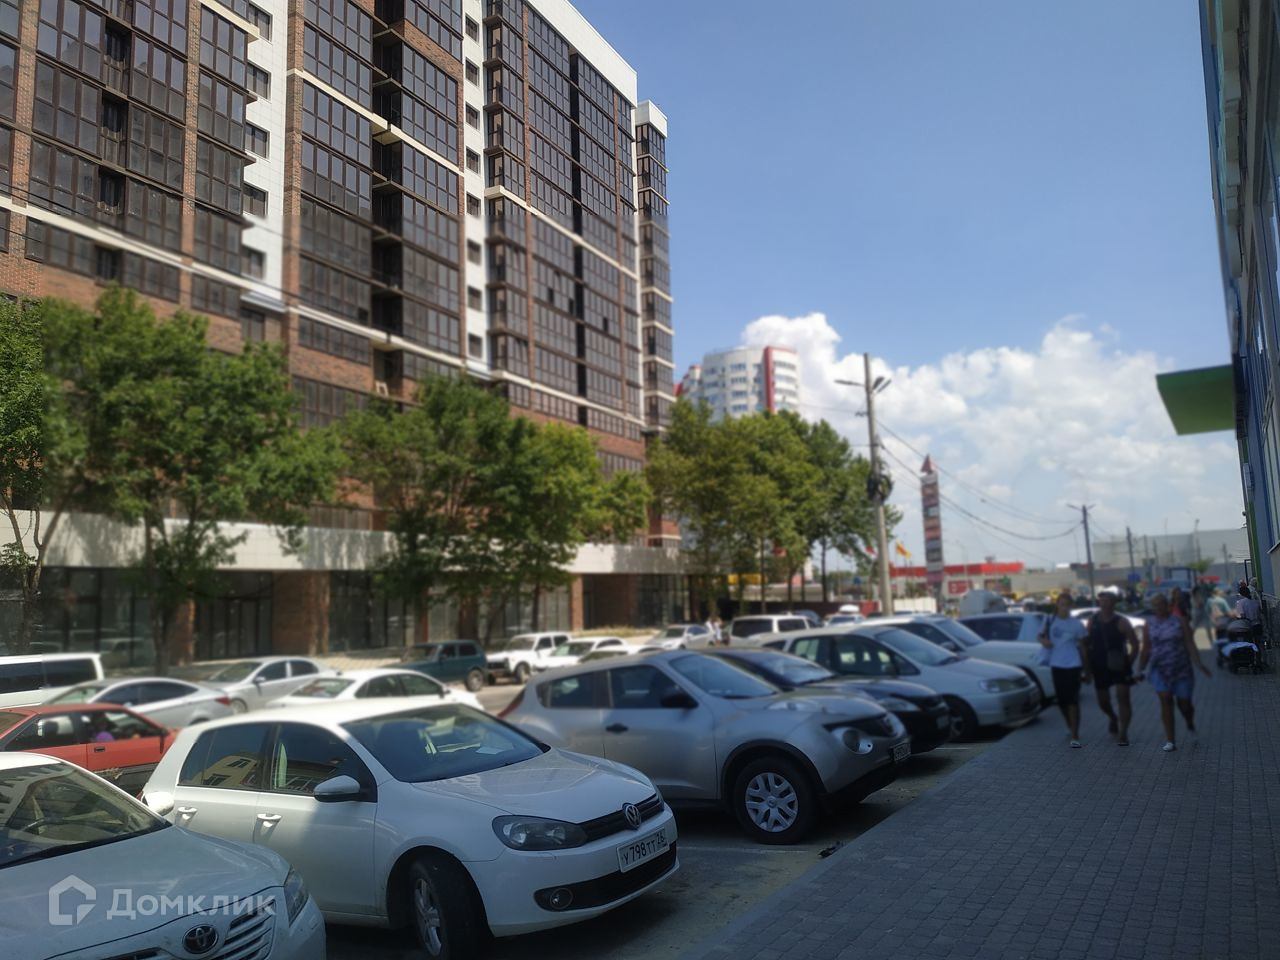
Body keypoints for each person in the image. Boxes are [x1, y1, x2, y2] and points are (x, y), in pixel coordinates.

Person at [1140, 592, 1211, 752]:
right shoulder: (1149, 624)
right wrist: (1140, 669)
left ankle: (1189, 722)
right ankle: (1170, 740)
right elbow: (1146, 647)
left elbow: (1190, 643)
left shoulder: (1180, 621)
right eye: (1155, 605)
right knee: (1165, 700)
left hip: (1181, 667)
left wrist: (1199, 664)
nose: (1158, 607)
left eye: (1161, 604)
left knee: (1184, 704)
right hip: (1160, 668)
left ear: (1168, 605)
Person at [1084, 591, 1141, 746]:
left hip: (1119, 664)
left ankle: (1123, 733)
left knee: (1123, 698)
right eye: (1102, 601)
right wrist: (1087, 669)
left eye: (1108, 601)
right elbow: (1085, 645)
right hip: (1099, 664)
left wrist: (1128, 662)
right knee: (1103, 701)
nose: (1104, 604)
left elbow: (1135, 644)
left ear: (1114, 603)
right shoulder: (1092, 620)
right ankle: (1112, 717)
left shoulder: (1122, 621)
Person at [1039, 593, 1090, 747]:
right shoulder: (1049, 620)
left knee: (1073, 700)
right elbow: (1040, 636)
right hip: (1056, 664)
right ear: (1057, 604)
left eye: (1067, 604)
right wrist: (1044, 641)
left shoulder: (1076, 624)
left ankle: (1075, 734)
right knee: (1062, 701)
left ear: (1071, 606)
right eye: (1062, 604)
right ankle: (1069, 723)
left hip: (1074, 665)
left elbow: (1084, 647)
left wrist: (1087, 670)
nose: (1064, 607)